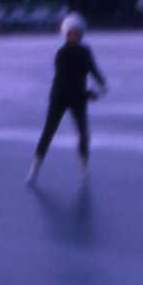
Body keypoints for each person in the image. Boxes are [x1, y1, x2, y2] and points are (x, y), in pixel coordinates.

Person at [26, 12, 108, 187]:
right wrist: (88, 94)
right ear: (66, 34)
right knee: (49, 131)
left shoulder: (85, 51)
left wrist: (102, 82)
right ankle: (34, 168)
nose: (76, 35)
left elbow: (92, 68)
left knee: (84, 133)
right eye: (73, 32)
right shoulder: (62, 54)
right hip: (60, 97)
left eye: (79, 32)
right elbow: (67, 81)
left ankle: (83, 167)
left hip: (78, 98)